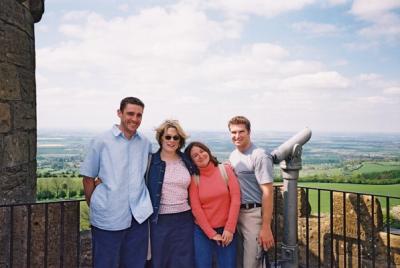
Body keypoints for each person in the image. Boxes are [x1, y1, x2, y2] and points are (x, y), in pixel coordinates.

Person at [80, 97, 153, 268]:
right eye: (130, 113)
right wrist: (96, 204)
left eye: (139, 115)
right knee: (106, 264)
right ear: (119, 113)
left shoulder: (145, 143)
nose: (135, 119)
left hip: (138, 218)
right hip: (108, 218)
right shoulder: (101, 141)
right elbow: (88, 178)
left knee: (135, 264)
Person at [147, 120, 196, 268]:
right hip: (159, 221)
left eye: (176, 138)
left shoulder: (187, 161)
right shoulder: (150, 161)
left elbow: (205, 173)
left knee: (184, 262)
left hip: (185, 220)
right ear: (160, 138)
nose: (172, 141)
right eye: (168, 137)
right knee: (159, 261)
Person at [228, 116, 275, 268]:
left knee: (252, 262)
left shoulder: (260, 155)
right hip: (236, 214)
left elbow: (268, 192)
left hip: (253, 214)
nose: (237, 136)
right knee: (239, 262)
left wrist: (266, 227)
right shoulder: (233, 155)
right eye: (233, 132)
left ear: (249, 132)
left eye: (241, 131)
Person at [185, 141, 241, 268]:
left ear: (208, 152)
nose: (200, 156)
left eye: (202, 151)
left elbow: (236, 199)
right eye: (195, 155)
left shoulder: (225, 170)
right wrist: (211, 233)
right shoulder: (194, 178)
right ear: (192, 161)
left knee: (228, 265)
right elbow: (196, 208)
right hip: (203, 232)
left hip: (226, 231)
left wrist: (229, 229)